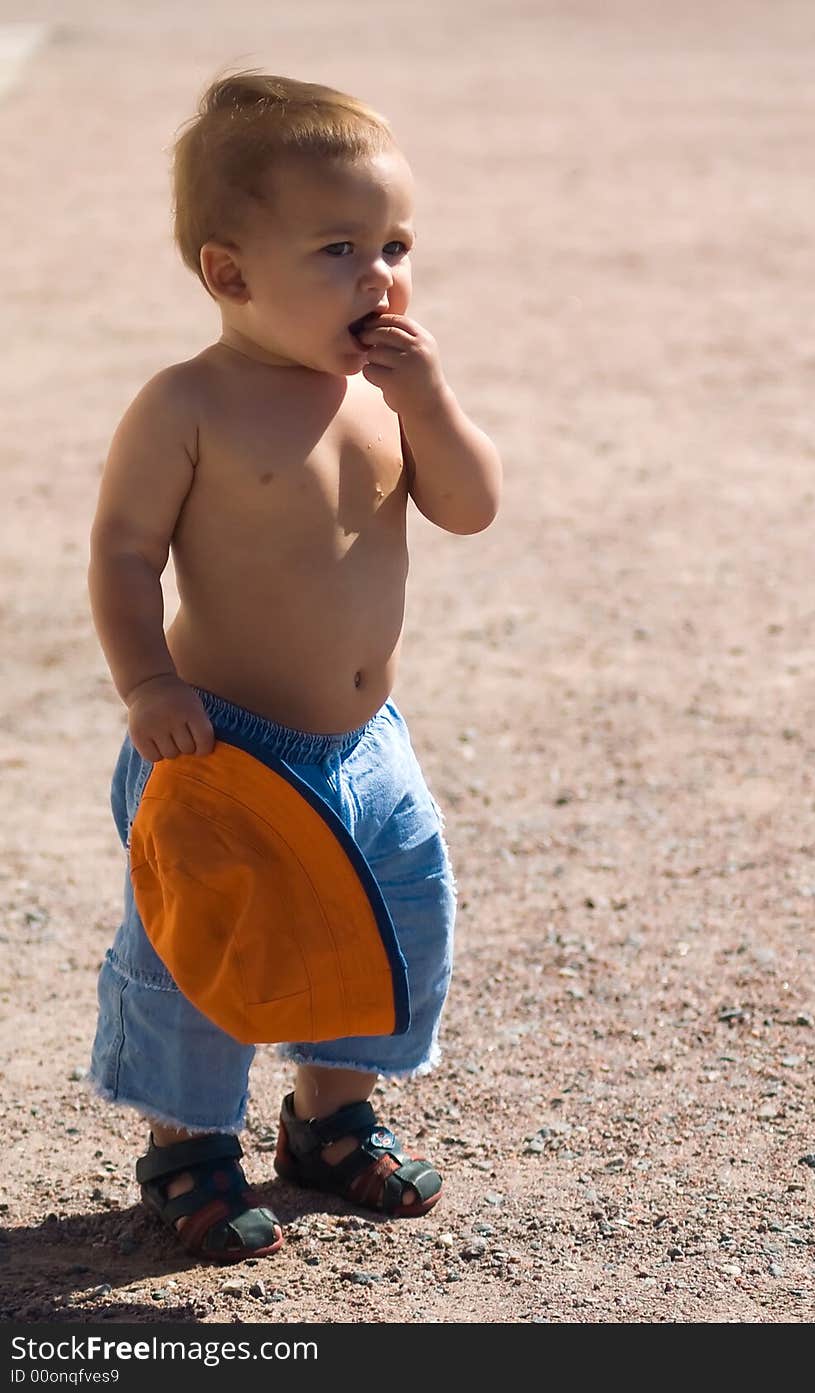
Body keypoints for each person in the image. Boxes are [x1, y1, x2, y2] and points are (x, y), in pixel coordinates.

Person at [86, 71, 502, 1263]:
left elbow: (469, 508)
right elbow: (123, 556)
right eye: (340, 249)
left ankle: (329, 1121)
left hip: (367, 746)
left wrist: (430, 400)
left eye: (395, 245)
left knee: (387, 922)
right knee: (200, 946)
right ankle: (187, 1147)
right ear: (230, 274)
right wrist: (149, 686)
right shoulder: (188, 405)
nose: (381, 277)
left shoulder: (379, 399)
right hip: (220, 740)